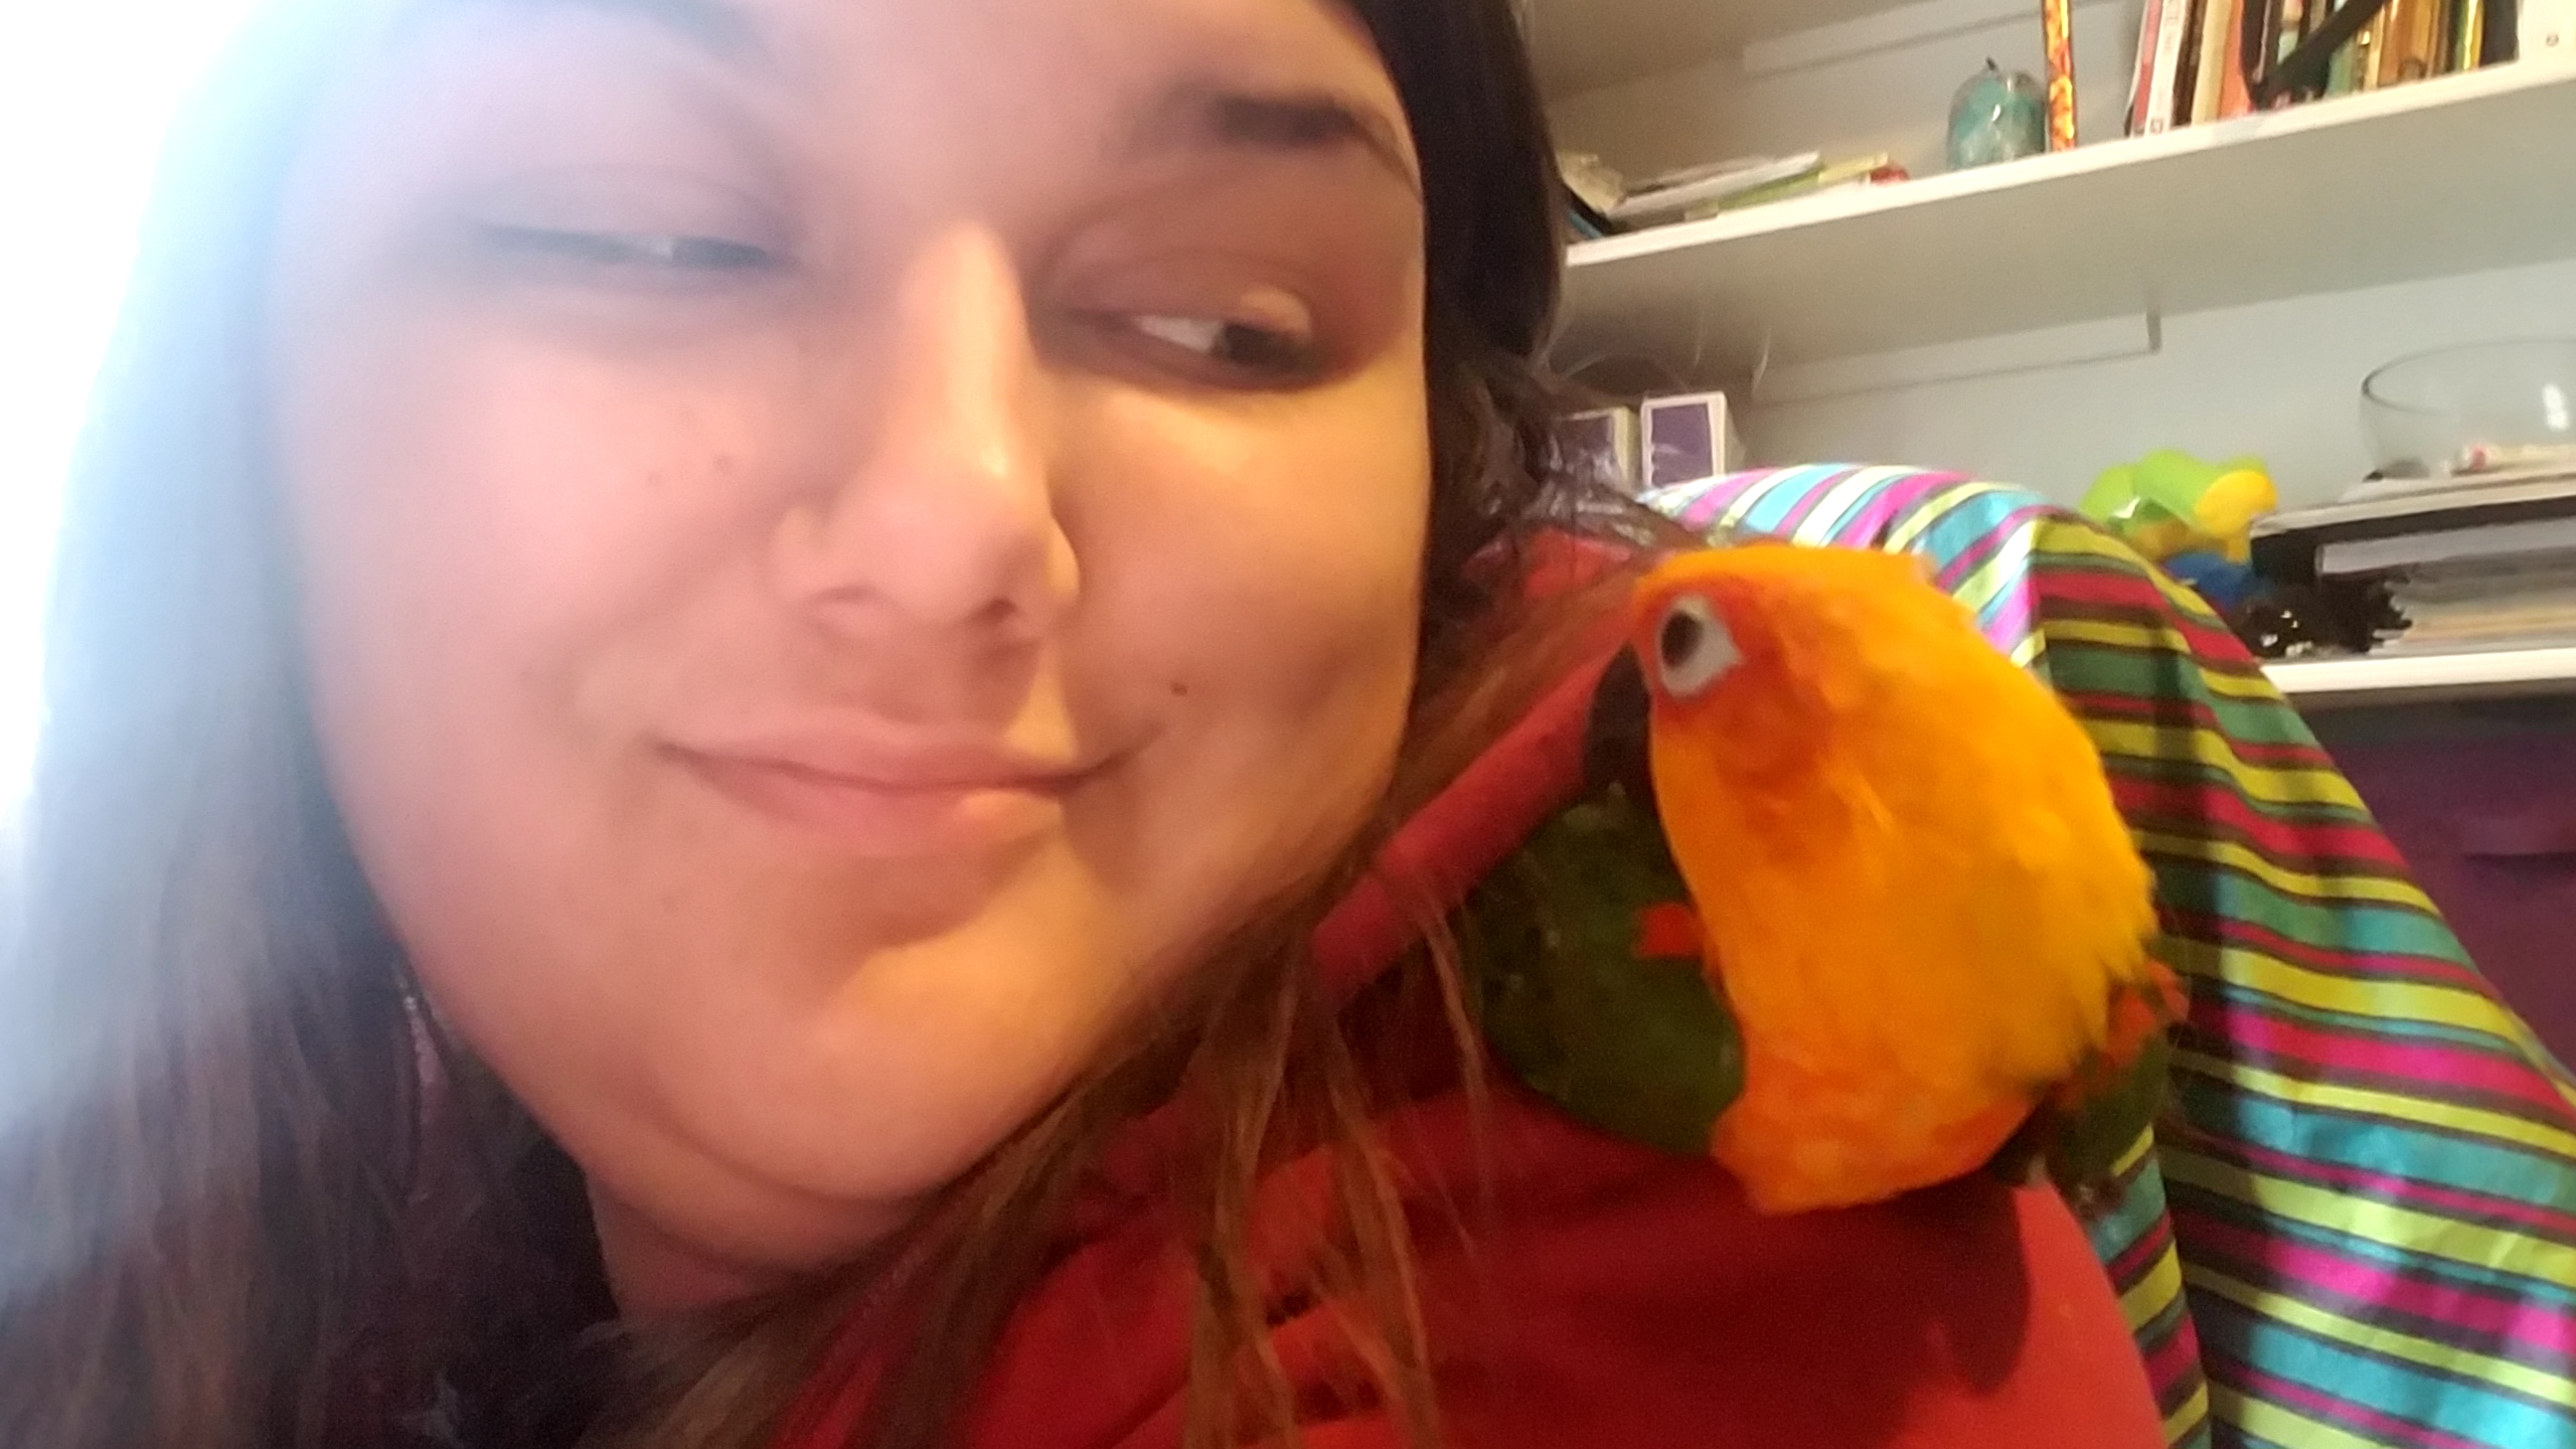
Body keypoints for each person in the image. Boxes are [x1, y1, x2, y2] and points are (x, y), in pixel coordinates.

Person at [0, 1, 2173, 1447]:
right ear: (240, 408)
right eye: (650, 241)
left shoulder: (1682, 1297)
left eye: (1227, 327)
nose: (960, 516)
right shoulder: (249, 1152)